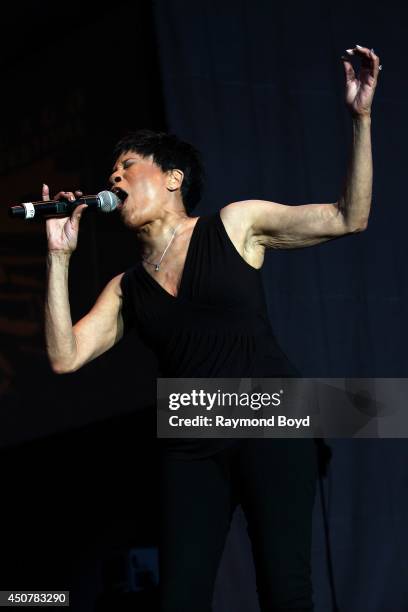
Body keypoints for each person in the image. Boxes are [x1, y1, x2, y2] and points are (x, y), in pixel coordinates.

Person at [44, 45, 380, 611]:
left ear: (173, 178)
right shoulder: (127, 286)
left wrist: (361, 119)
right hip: (193, 436)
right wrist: (58, 259)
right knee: (180, 595)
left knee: (284, 590)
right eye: (112, 171)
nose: (114, 177)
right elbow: (64, 356)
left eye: (128, 166)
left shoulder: (235, 223)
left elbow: (350, 216)